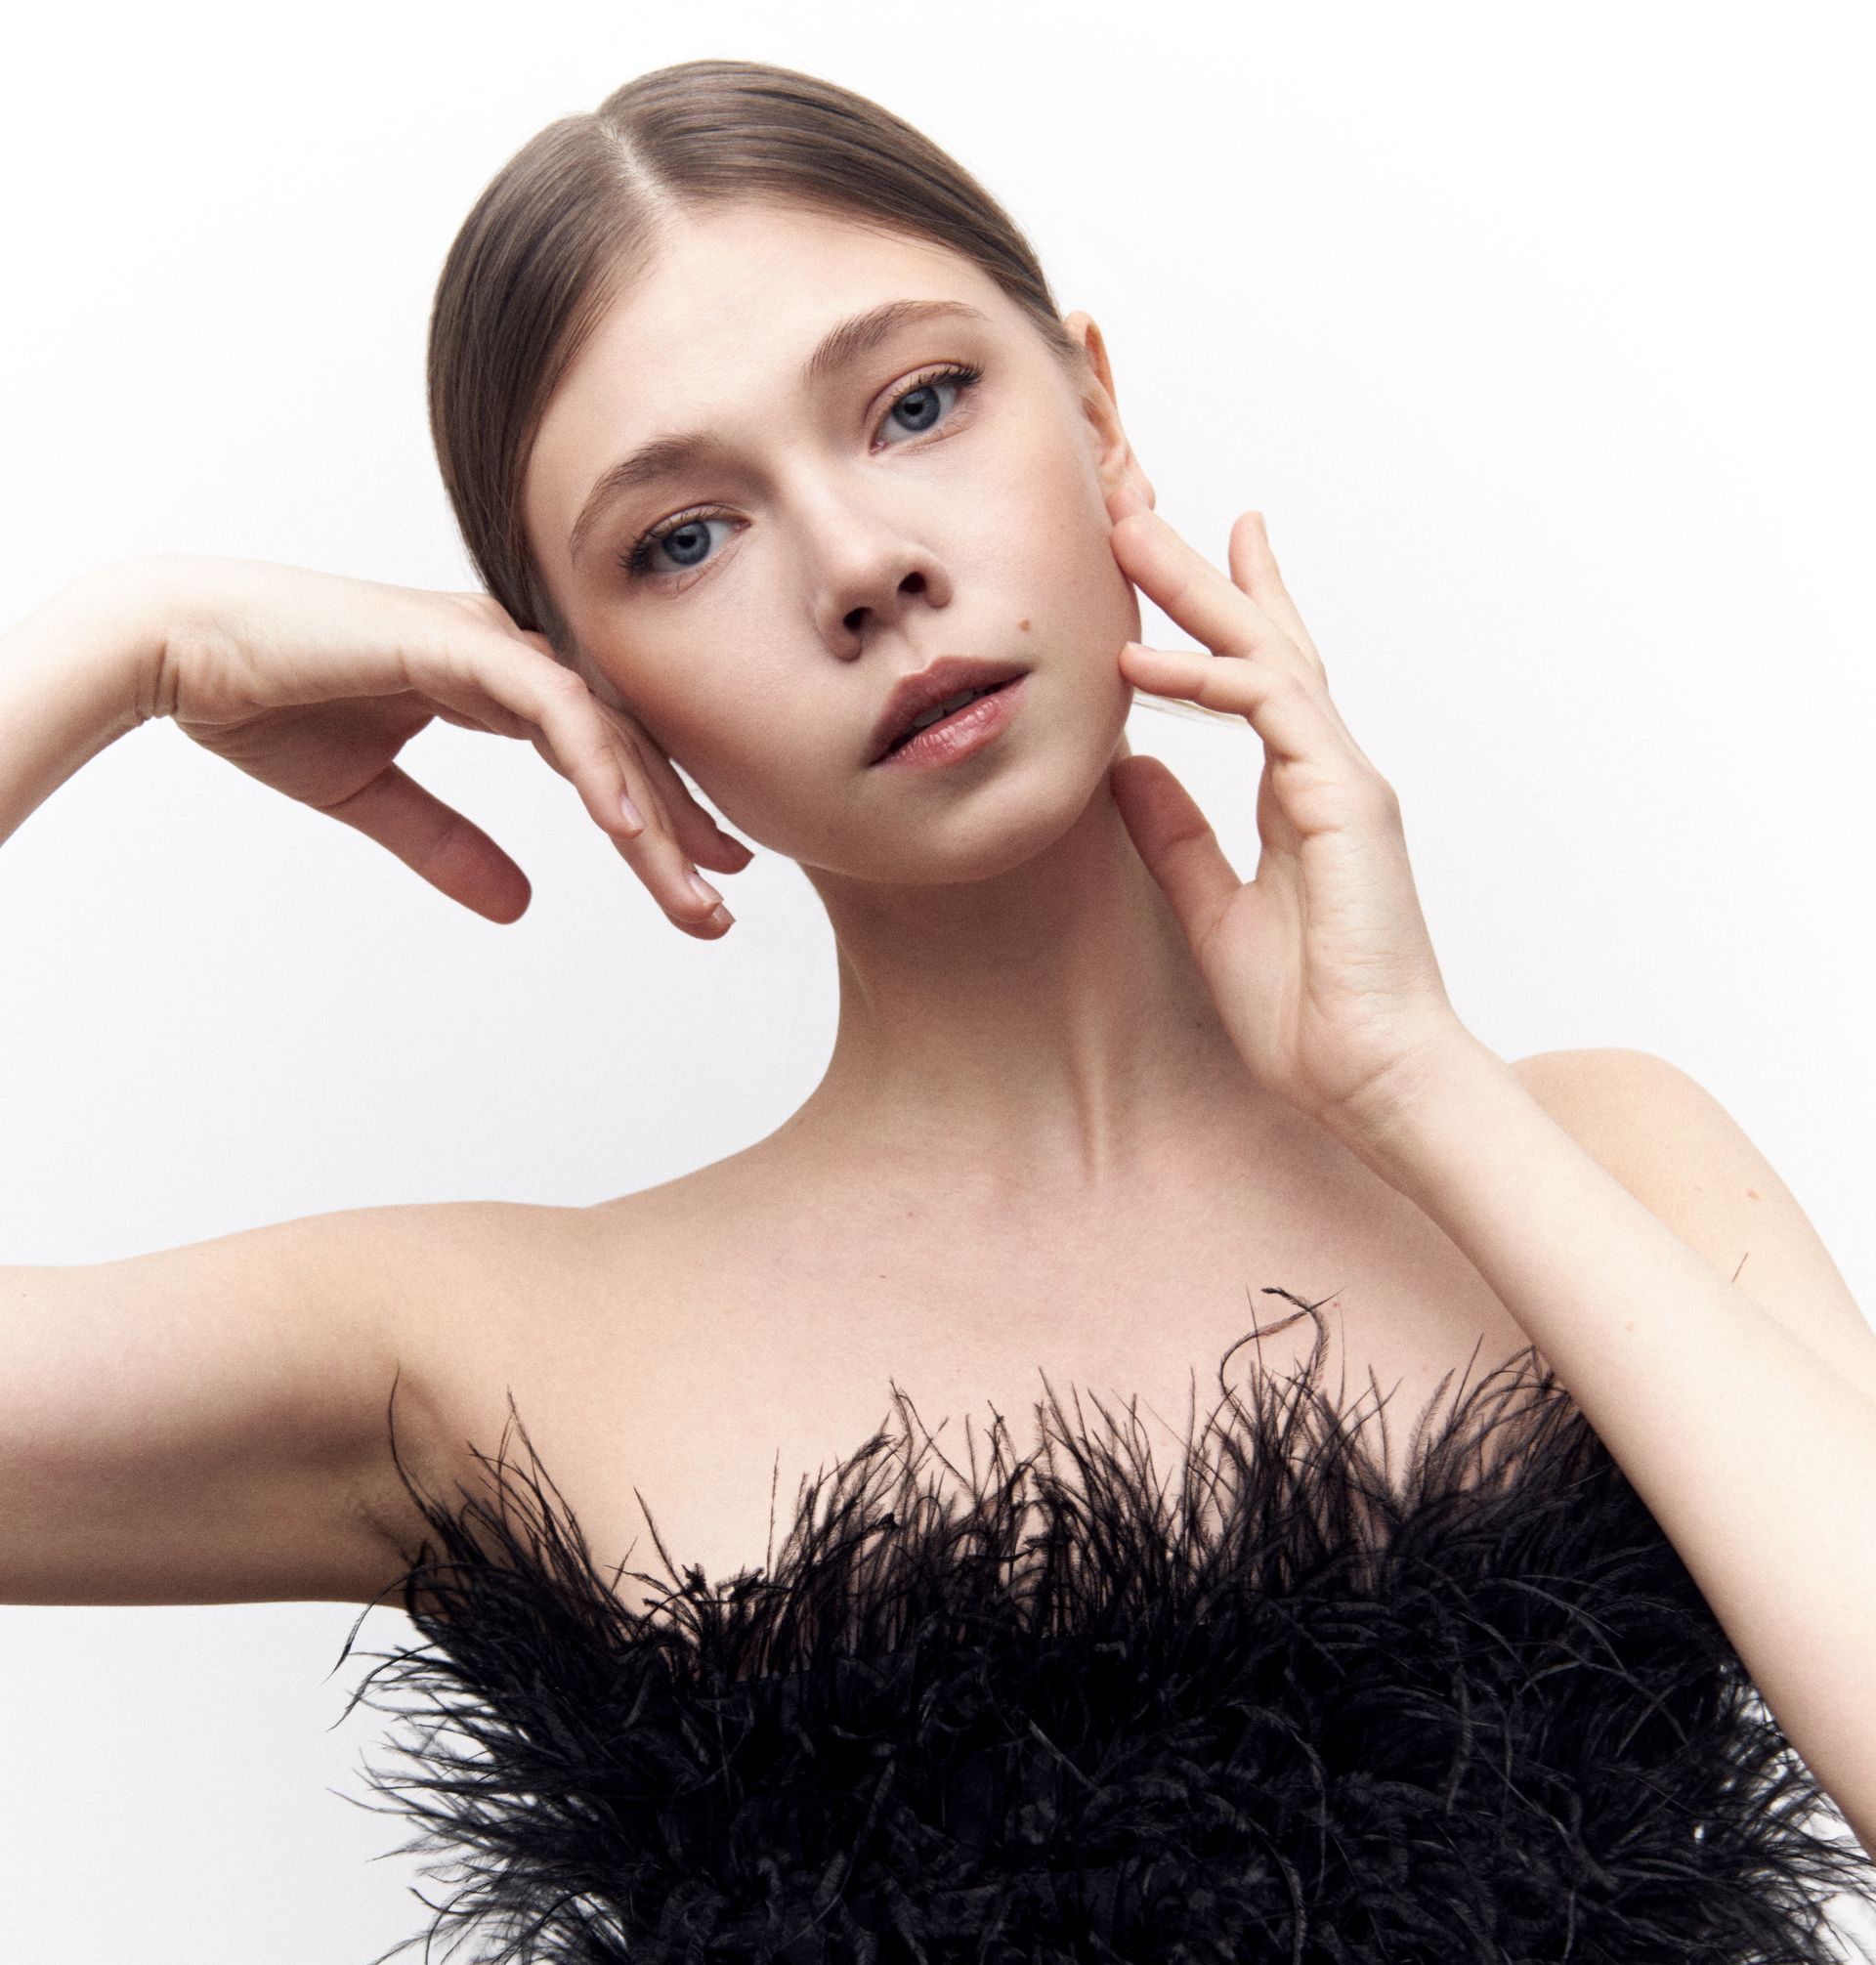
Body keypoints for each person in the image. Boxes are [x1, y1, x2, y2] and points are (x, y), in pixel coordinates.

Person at [4, 55, 1875, 1963]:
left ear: (1099, 415)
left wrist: (1417, 1086)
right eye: (683, 537)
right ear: (590, 696)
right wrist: (118, 644)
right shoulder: (480, 1350)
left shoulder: (1608, 1153)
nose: (862, 566)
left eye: (917, 404)